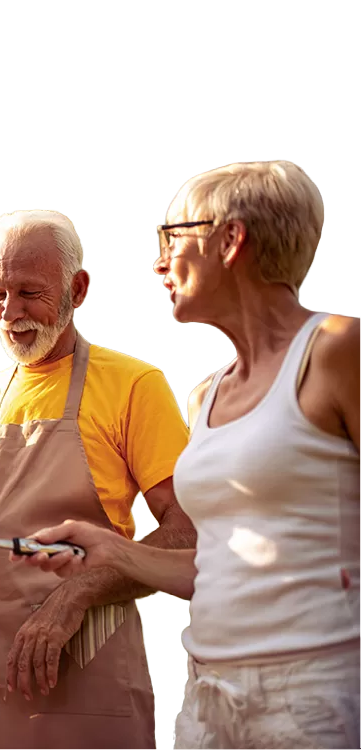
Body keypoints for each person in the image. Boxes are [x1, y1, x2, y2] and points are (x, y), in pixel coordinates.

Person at [19, 161, 361, 748]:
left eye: (173, 237)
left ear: (231, 239)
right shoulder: (206, 396)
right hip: (210, 701)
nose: (158, 261)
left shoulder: (336, 351)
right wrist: (115, 552)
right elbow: (211, 568)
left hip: (317, 695)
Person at [0, 209, 197, 750]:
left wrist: (72, 599)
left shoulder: (135, 384)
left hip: (90, 668)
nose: (11, 312)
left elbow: (188, 532)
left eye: (29, 292)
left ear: (77, 288)